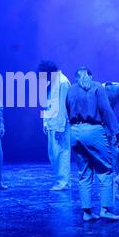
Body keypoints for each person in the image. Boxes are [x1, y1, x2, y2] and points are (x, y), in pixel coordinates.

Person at [66, 67, 119, 221]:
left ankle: (87, 213)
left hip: (74, 132)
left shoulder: (70, 90)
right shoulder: (97, 87)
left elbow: (66, 110)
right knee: (105, 170)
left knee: (84, 173)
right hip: (93, 132)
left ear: (76, 77)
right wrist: (115, 130)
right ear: (90, 75)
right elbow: (106, 110)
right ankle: (105, 209)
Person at [38, 60, 71, 191]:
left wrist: (60, 128)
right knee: (53, 154)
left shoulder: (63, 82)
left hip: (60, 124)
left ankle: (63, 182)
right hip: (51, 123)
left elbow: (64, 107)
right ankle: (60, 180)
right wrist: (45, 121)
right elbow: (46, 103)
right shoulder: (50, 82)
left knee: (62, 153)